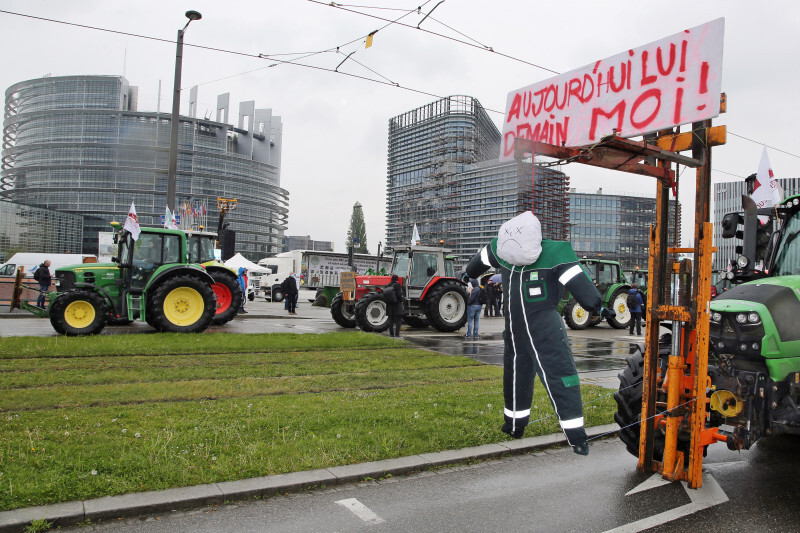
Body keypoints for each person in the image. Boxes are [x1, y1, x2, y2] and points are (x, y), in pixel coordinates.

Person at [464, 211, 614, 455]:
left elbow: (476, 263)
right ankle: (575, 437)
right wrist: (598, 307)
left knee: (515, 377)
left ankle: (514, 425)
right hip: (545, 330)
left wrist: (469, 274)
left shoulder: (501, 249)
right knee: (560, 377)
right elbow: (582, 288)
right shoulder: (556, 252)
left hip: (514, 329)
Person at [386, 274, 404, 338]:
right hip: (397, 305)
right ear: (397, 279)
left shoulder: (387, 285)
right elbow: (399, 295)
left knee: (391, 321)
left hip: (389, 305)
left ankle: (391, 335)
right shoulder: (397, 285)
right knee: (398, 321)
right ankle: (397, 335)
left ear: (391, 279)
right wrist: (402, 299)